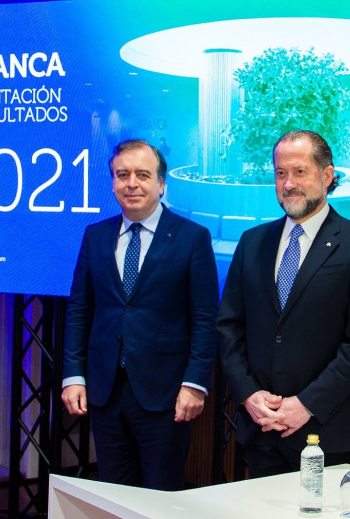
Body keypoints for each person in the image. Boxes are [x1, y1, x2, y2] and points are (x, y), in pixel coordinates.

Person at [217, 129, 350, 478]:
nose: (288, 183)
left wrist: (306, 404)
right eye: (281, 173)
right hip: (261, 427)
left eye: (300, 171)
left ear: (327, 176)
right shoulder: (252, 243)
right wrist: (248, 395)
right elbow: (229, 326)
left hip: (324, 432)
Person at [61, 139, 218, 490]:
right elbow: (80, 310)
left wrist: (195, 384)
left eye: (142, 175)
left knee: (161, 493)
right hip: (105, 390)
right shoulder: (95, 236)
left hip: (166, 393)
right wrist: (73, 375)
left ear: (161, 184)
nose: (131, 183)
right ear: (113, 182)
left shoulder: (192, 238)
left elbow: (205, 318)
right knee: (114, 491)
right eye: (123, 175)